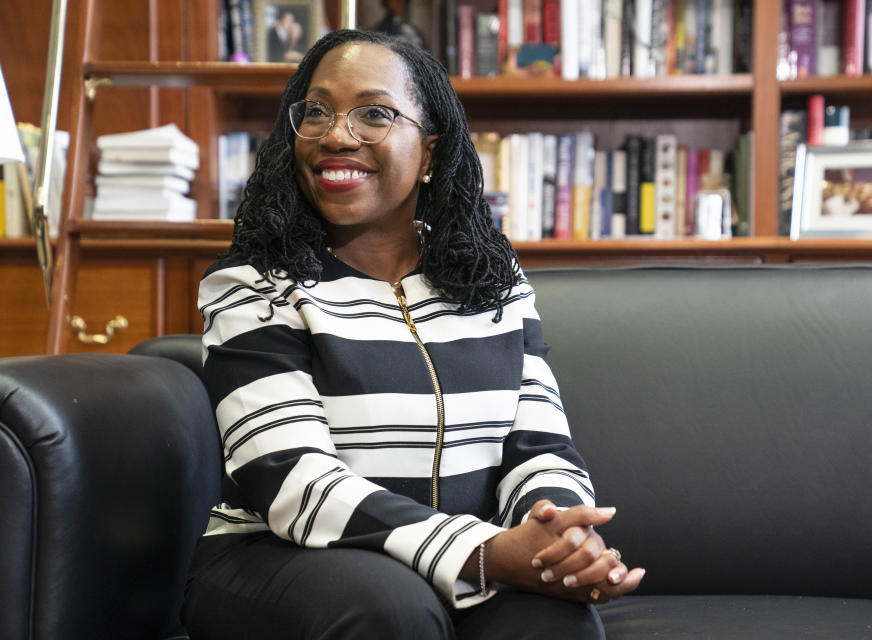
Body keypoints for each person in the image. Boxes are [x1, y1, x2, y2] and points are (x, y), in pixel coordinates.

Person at [183, 29, 644, 639]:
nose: (335, 134)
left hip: (463, 551)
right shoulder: (255, 284)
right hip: (279, 559)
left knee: (555, 621)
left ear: (429, 153)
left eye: (374, 113)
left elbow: (539, 447)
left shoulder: (492, 282)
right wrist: (482, 553)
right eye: (316, 111)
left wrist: (557, 533)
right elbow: (291, 479)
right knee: (391, 610)